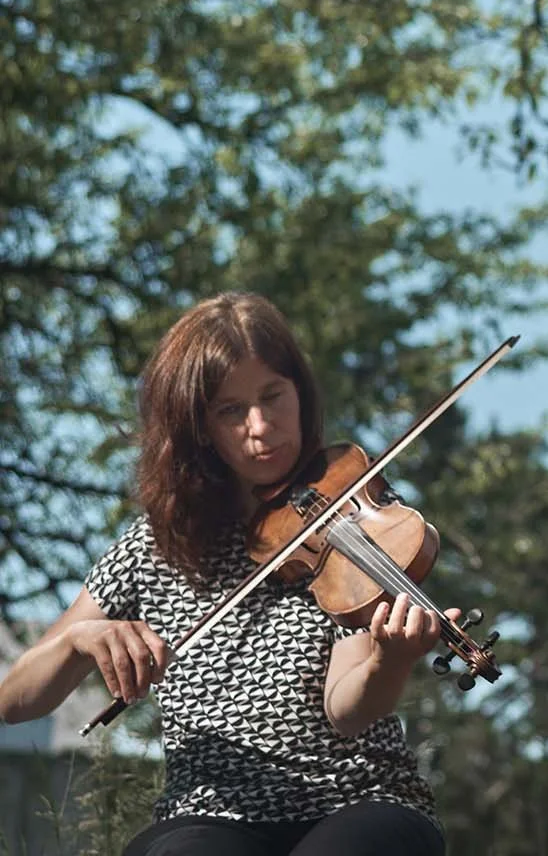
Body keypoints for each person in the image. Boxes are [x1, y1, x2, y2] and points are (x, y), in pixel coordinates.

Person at [0, 293, 451, 856]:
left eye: (272, 397)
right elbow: (14, 699)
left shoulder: (351, 518)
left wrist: (391, 659)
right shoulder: (153, 547)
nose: (259, 427)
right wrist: (78, 640)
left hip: (358, 800)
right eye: (230, 411)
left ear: (301, 396)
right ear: (199, 428)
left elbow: (346, 707)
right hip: (209, 813)